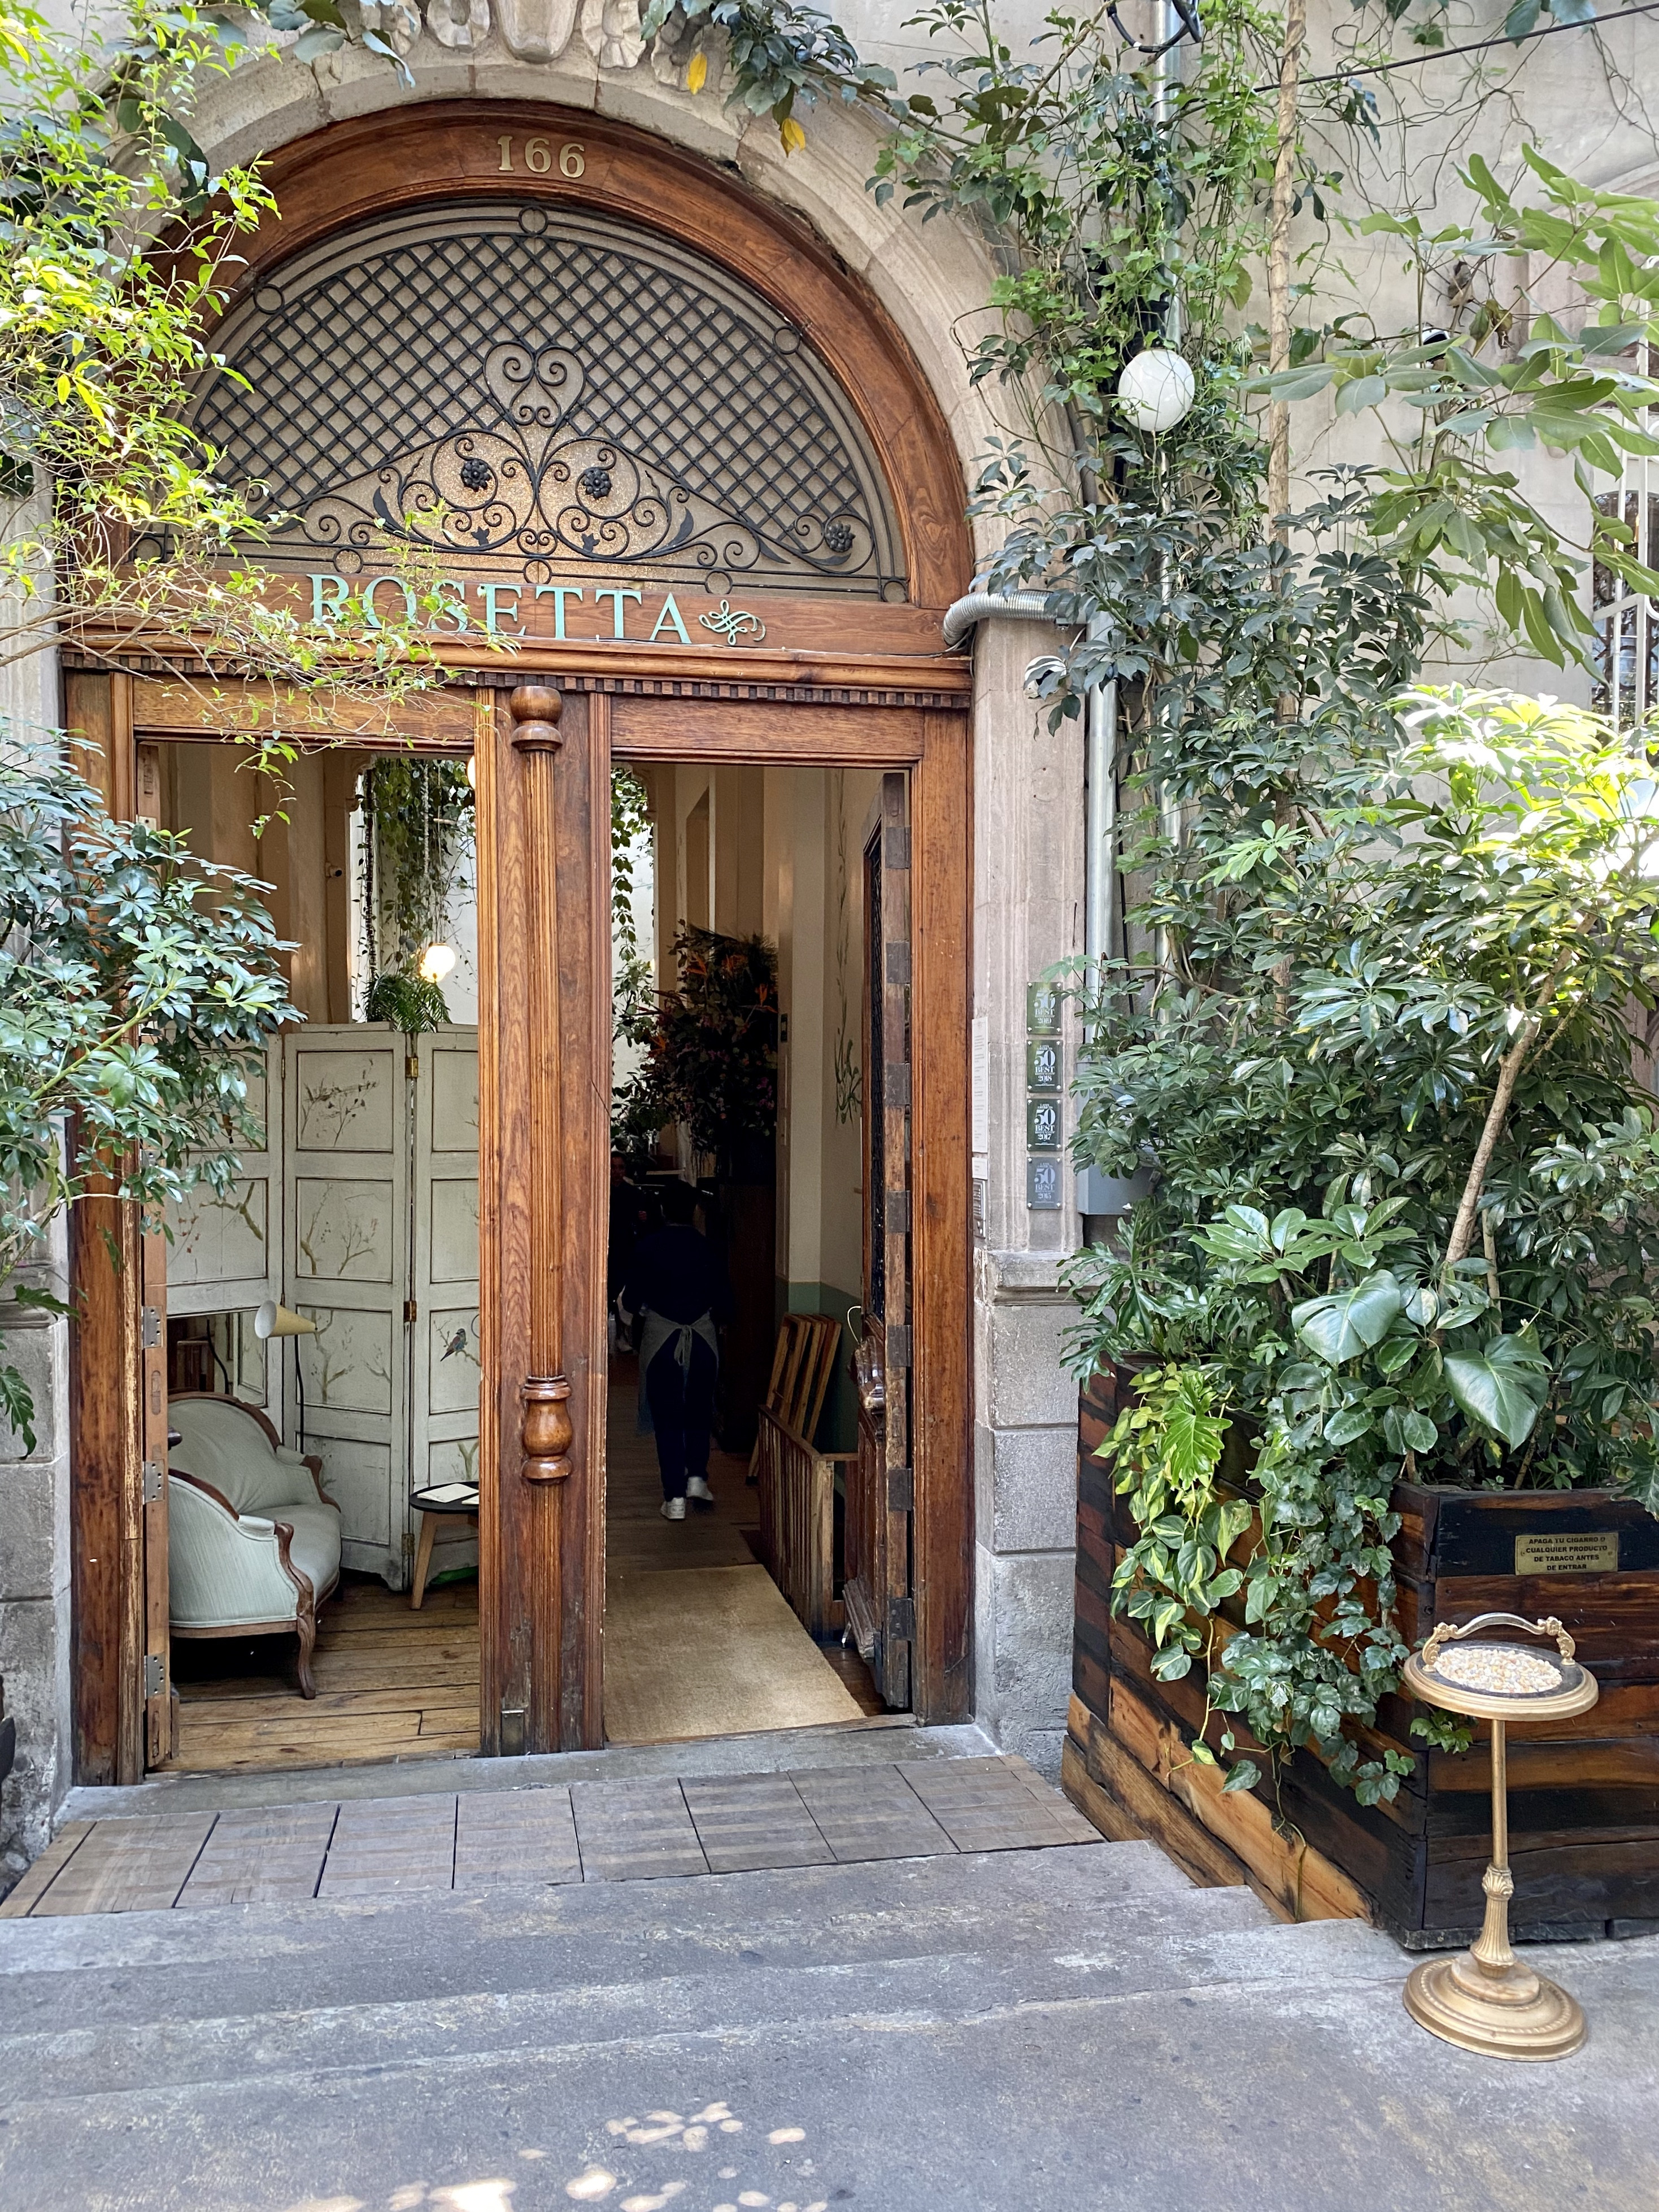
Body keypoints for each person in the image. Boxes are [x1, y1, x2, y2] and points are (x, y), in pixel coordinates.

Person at [619, 1180, 734, 1521]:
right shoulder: (710, 1248)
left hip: (662, 1342)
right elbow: (726, 1304)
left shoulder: (648, 1247)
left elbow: (630, 1302)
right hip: (702, 1341)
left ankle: (675, 1498)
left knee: (668, 1417)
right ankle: (697, 1478)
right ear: (694, 1210)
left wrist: (639, 1314)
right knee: (700, 1408)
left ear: (663, 1211)